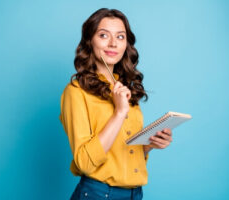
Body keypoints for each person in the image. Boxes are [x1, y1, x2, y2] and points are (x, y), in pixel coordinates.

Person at [59, 8, 173, 200]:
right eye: (103, 35)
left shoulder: (126, 88)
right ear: (90, 41)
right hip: (99, 193)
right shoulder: (76, 92)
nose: (113, 43)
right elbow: (85, 163)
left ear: (126, 44)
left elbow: (122, 151)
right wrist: (119, 113)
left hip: (134, 194)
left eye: (120, 37)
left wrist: (149, 144)